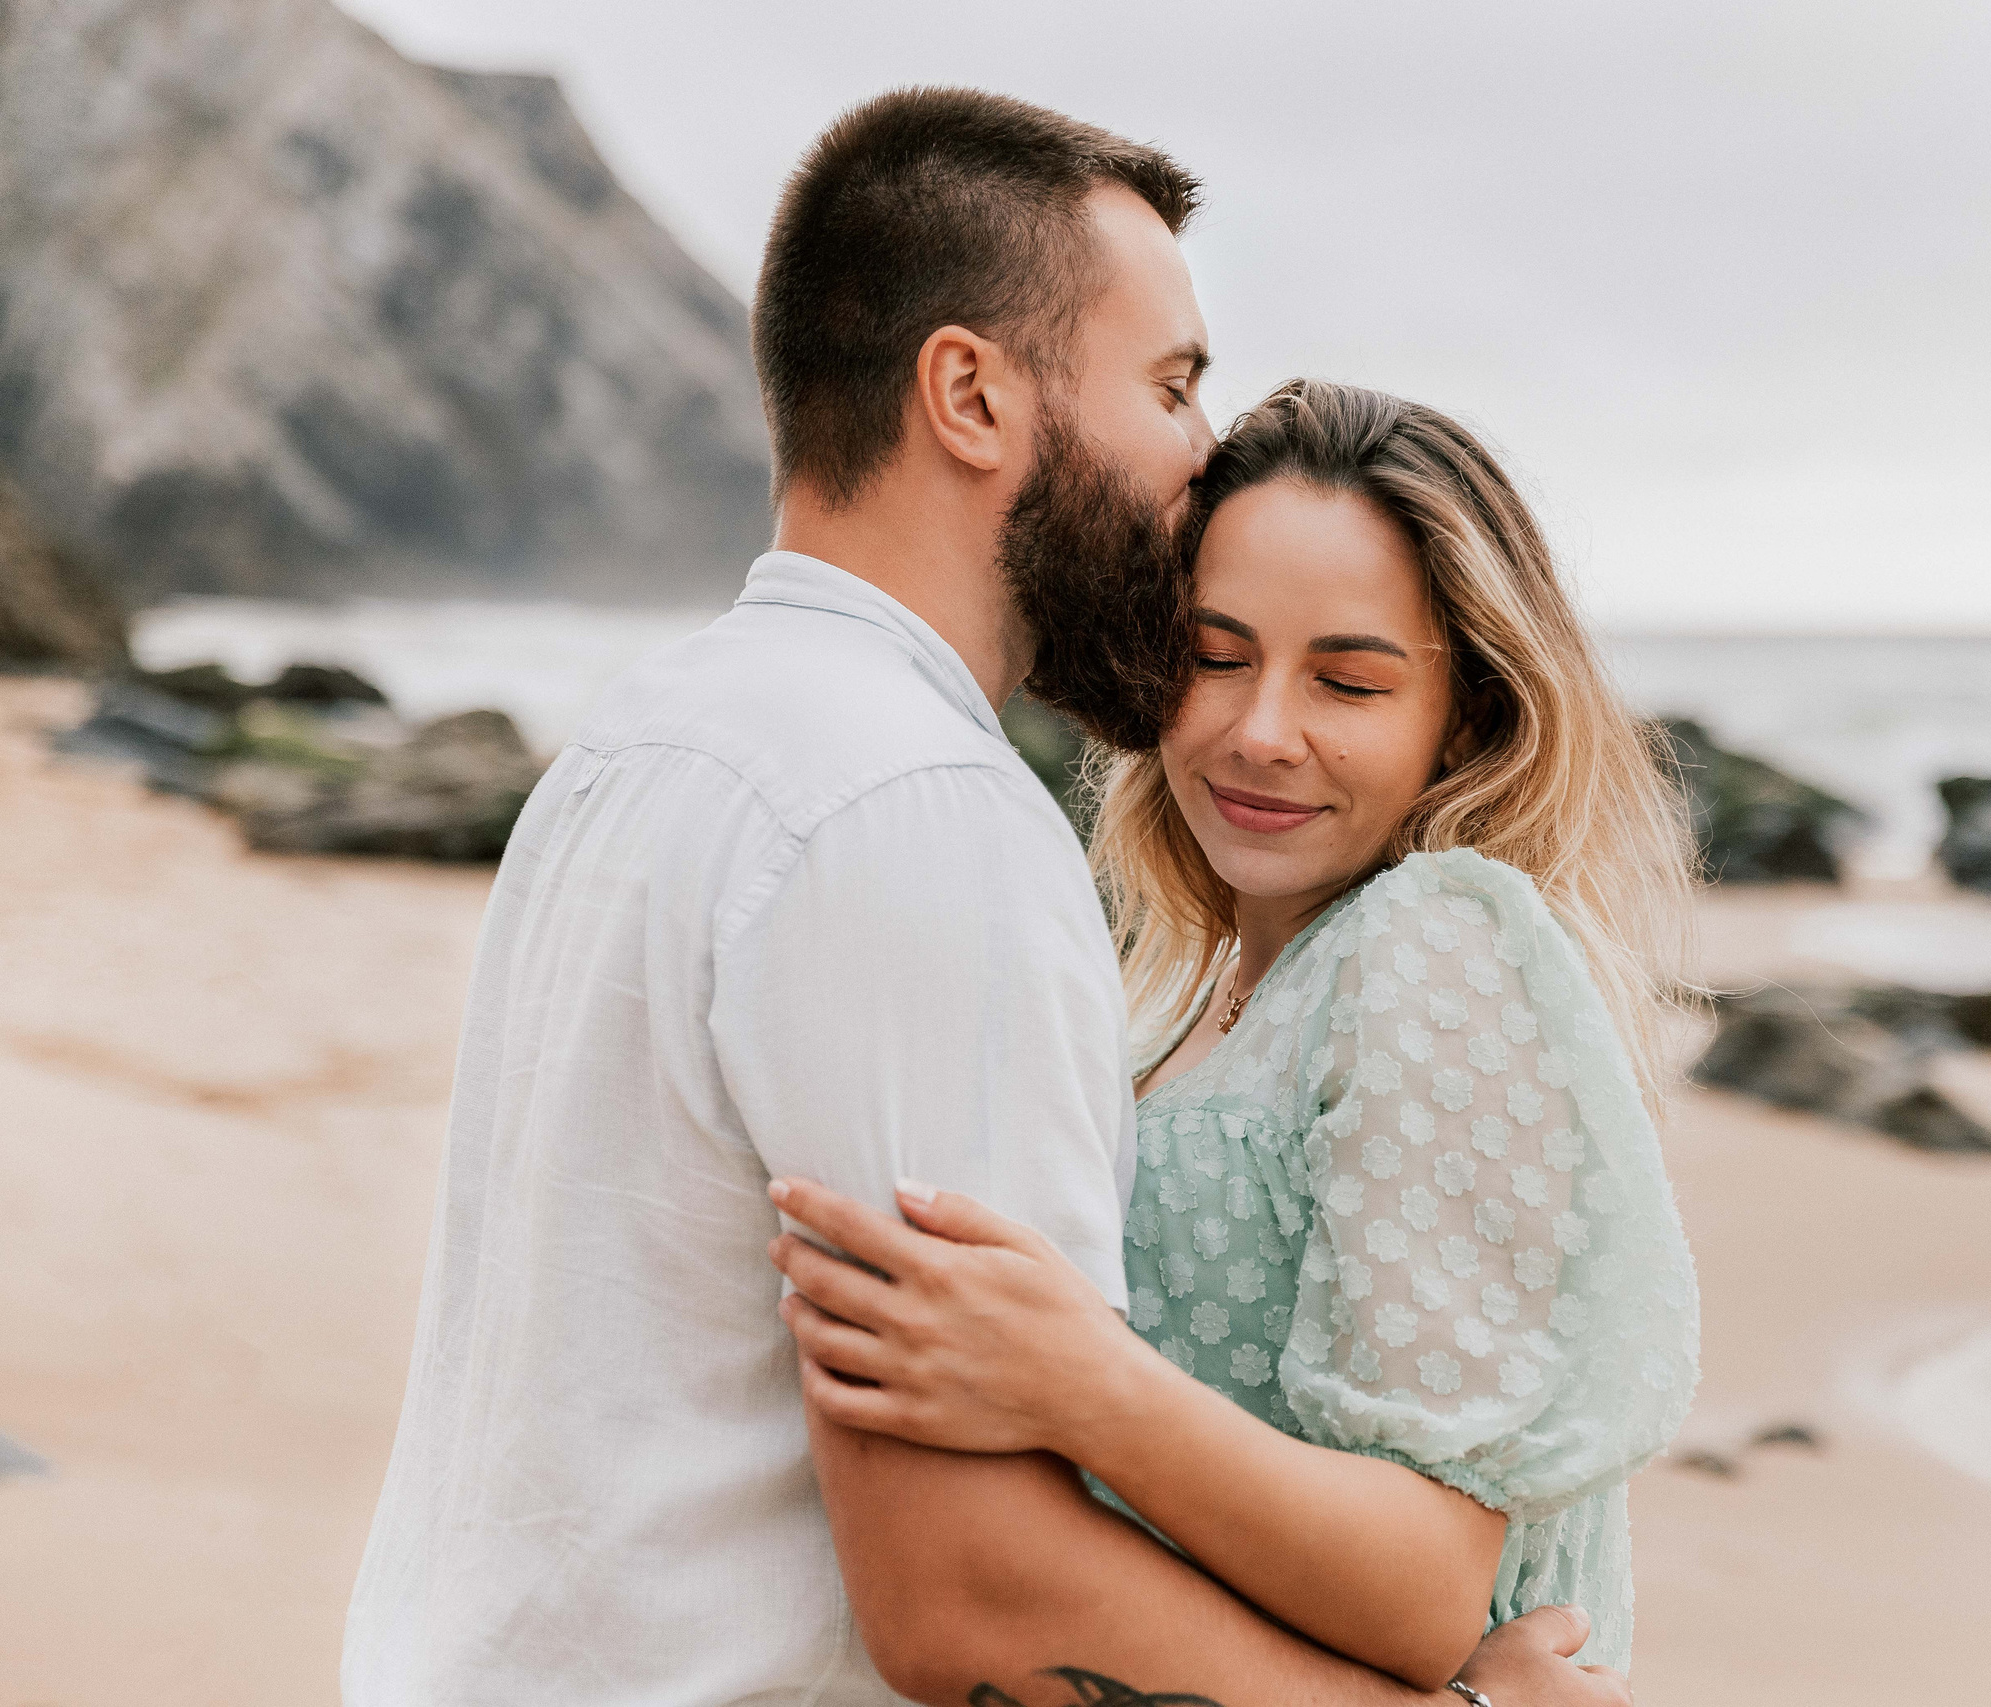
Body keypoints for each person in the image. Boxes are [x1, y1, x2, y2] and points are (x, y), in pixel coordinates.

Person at [343, 89, 1620, 1706]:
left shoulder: (643, 740)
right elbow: (975, 1600)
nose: (1200, 453)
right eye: (1169, 385)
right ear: (971, 394)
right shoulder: (913, 810)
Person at [769, 379, 1703, 1683]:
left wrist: (1081, 1384)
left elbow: (1425, 1588)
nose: (1262, 733)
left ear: (1468, 718)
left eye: (1350, 682)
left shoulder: (1436, 947)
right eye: (1216, 658)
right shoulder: (1182, 990)